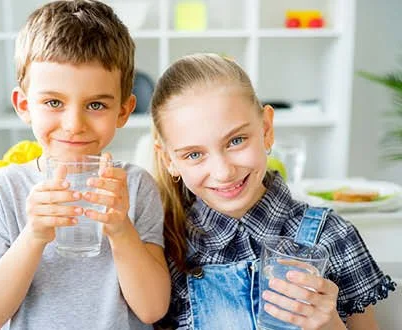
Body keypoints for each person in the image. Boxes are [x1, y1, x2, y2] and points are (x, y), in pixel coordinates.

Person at [150, 53, 396, 329]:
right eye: (194, 154)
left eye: (236, 140)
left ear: (266, 129)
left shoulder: (334, 236)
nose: (223, 172)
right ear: (169, 160)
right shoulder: (164, 249)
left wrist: (332, 326)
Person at [0, 1, 170, 329]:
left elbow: (152, 309)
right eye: (54, 102)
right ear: (23, 105)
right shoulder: (4, 189)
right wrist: (33, 235)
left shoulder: (135, 186)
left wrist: (120, 229)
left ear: (124, 110)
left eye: (96, 104)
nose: (74, 124)